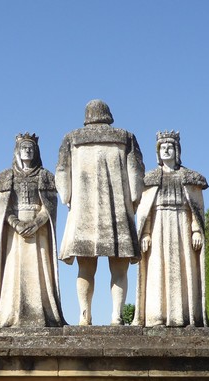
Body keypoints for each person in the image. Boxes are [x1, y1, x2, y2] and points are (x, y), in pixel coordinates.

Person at [56, 100, 145, 325]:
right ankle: (117, 315)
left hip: (83, 211)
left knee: (85, 267)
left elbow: (62, 172)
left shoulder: (72, 138)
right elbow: (136, 175)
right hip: (117, 212)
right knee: (119, 267)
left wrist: (67, 198)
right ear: (108, 115)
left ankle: (84, 314)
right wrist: (133, 201)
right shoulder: (125, 137)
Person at [133, 131, 208, 327]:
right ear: (158, 152)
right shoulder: (150, 179)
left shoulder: (189, 177)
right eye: (162, 147)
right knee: (157, 268)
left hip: (182, 224)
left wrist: (196, 230)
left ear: (177, 150)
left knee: (183, 270)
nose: (166, 150)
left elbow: (196, 209)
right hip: (158, 226)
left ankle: (182, 315)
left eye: (170, 147)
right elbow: (146, 209)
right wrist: (146, 232)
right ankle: (157, 315)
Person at [0, 133, 65, 327]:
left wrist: (37, 222)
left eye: (31, 148)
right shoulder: (6, 177)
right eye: (24, 148)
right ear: (17, 151)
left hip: (38, 232)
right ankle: (11, 314)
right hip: (14, 234)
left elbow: (50, 206)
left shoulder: (45, 176)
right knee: (14, 271)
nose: (28, 151)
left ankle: (43, 313)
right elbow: (2, 208)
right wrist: (16, 223)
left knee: (40, 271)